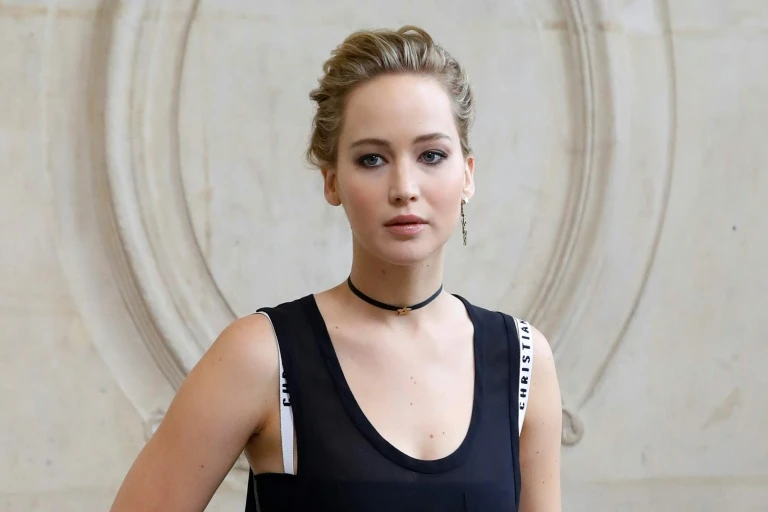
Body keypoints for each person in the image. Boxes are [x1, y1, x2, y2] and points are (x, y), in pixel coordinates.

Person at [110, 25, 562, 511]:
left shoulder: (523, 361)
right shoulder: (262, 356)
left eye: (431, 155)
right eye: (372, 159)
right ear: (331, 181)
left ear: (467, 175)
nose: (404, 188)